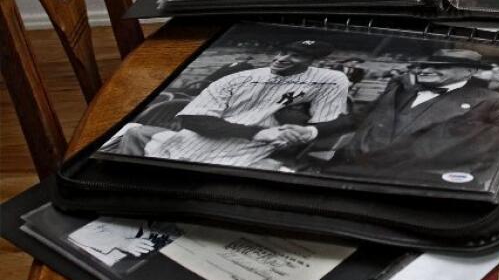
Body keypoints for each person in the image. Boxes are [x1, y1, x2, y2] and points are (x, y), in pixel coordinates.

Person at [113, 40, 351, 171]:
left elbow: (331, 123)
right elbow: (193, 119)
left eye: (295, 56)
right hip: (207, 138)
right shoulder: (239, 76)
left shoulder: (327, 81)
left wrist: (306, 130)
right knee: (136, 133)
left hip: (254, 150)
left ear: (312, 61)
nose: (282, 58)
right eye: (282, 51)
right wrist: (257, 132)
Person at [329, 47, 499, 182]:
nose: (427, 69)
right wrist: (312, 131)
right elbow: (360, 117)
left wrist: (467, 177)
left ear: (469, 71)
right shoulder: (399, 88)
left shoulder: (493, 101)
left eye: (440, 66)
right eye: (426, 65)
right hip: (351, 171)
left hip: (422, 182)